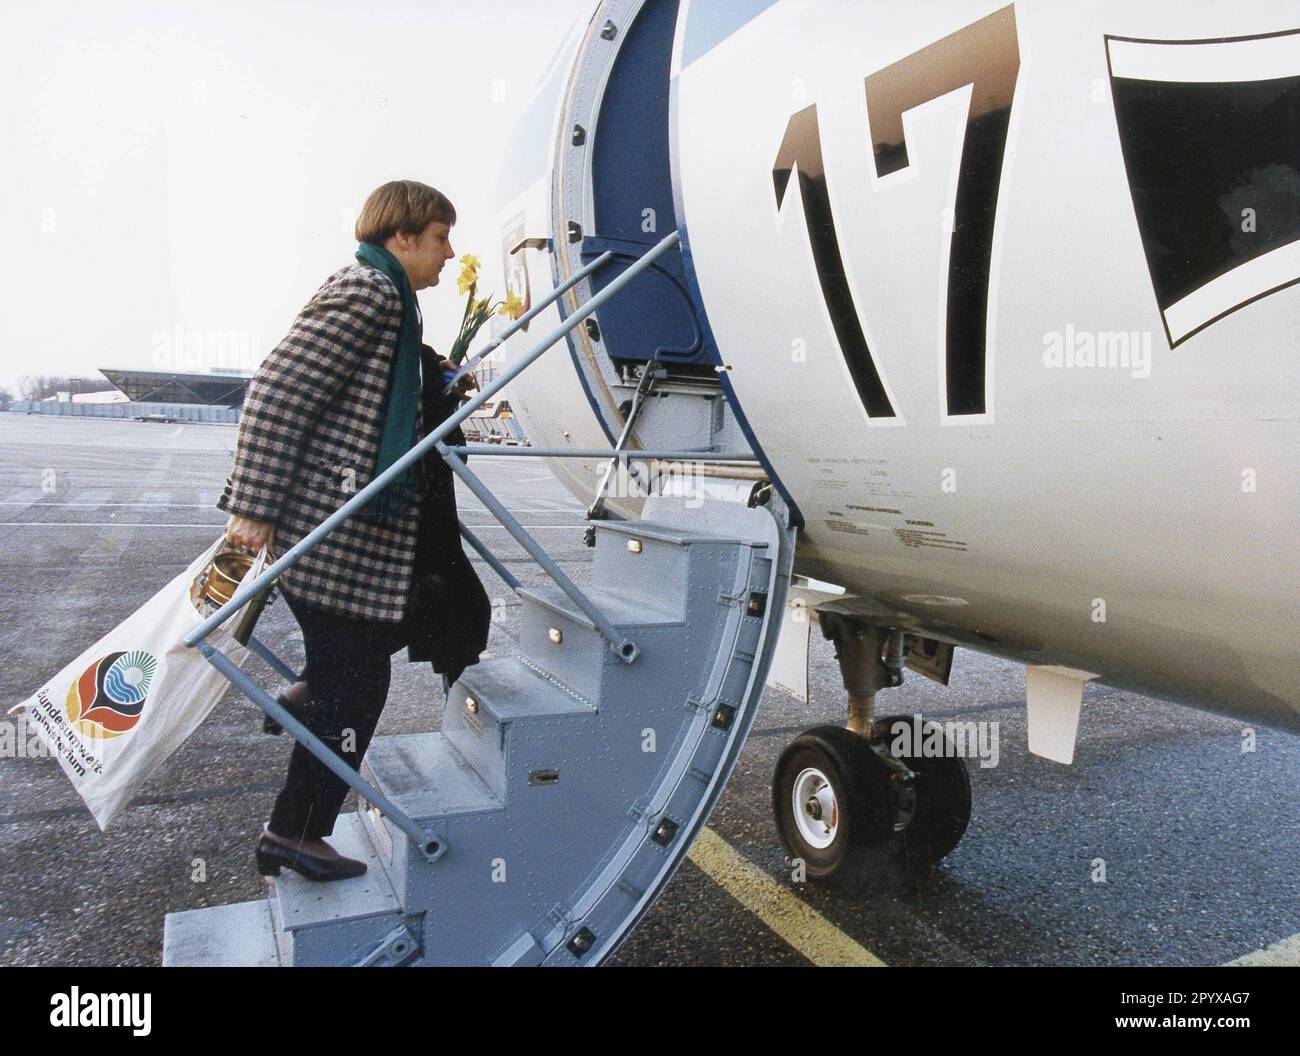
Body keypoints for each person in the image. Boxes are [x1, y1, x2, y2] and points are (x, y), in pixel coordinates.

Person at [218, 180, 490, 883]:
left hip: (351, 539)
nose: (447, 252)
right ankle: (294, 832)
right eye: (439, 236)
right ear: (403, 236)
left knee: (439, 613)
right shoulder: (371, 293)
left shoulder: (387, 300)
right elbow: (278, 390)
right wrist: (253, 506)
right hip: (329, 537)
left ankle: (313, 687)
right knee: (358, 688)